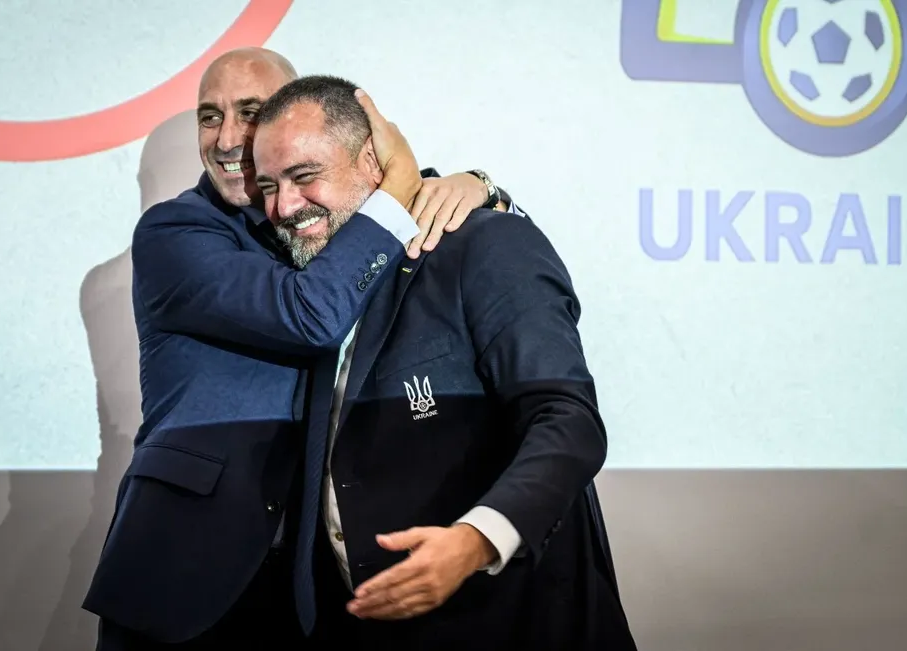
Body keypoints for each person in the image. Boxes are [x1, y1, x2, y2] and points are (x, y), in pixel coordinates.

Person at [83, 47, 509, 650]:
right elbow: (311, 314)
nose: (227, 138)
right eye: (210, 116)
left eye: (251, 112)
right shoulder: (174, 233)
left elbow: (434, 219)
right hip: (185, 569)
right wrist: (401, 189)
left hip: (309, 587)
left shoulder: (323, 216)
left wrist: (479, 187)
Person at [251, 75, 637, 650]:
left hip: (516, 621)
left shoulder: (485, 243)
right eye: (268, 185)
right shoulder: (301, 285)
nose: (283, 206)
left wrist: (477, 540)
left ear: (373, 162)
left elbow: (567, 420)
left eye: (305, 176)